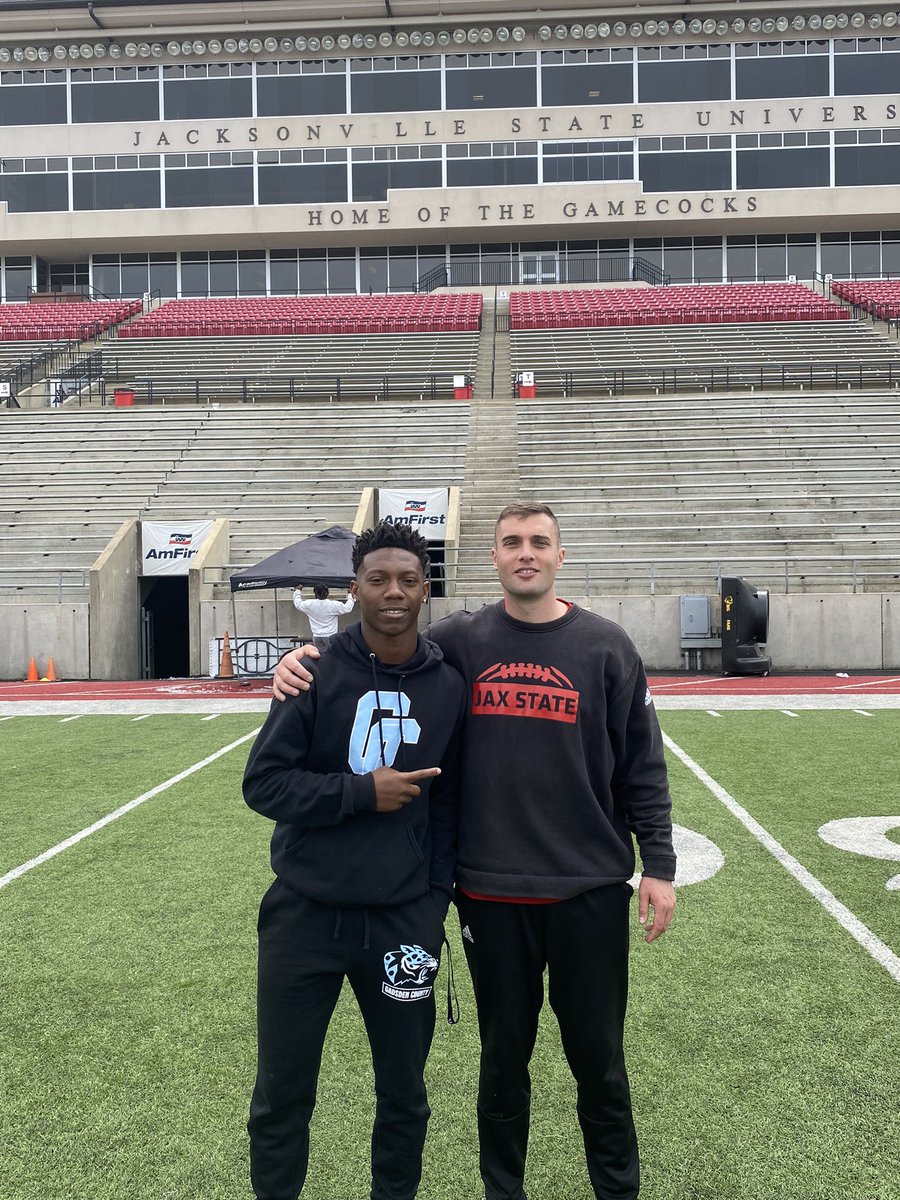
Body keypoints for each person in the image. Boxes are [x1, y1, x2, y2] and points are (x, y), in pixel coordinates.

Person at [273, 501, 677, 1200]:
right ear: (492, 557)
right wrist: (302, 659)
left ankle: (618, 1190)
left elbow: (642, 764)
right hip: (490, 895)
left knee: (601, 1064)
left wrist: (660, 865)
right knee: (502, 1067)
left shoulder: (607, 646)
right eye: (512, 542)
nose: (526, 553)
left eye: (539, 542)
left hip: (588, 889)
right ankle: (503, 1191)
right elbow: (384, 646)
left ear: (558, 555)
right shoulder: (461, 641)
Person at [244, 521, 466, 1200]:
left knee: (405, 1094)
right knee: (282, 1095)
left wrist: (432, 903)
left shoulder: (448, 685)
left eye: (406, 579)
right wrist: (360, 793)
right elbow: (264, 784)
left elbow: (452, 808)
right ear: (354, 590)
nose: (392, 592)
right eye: (377, 580)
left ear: (424, 589)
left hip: (403, 922)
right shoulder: (312, 672)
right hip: (304, 918)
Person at [292, 582, 355, 651]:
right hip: (330, 635)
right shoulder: (333, 605)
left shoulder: (310, 604)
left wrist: (298, 591)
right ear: (327, 593)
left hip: (317, 636)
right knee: (332, 656)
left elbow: (298, 603)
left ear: (315, 593)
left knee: (320, 656)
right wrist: (350, 595)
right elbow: (347, 608)